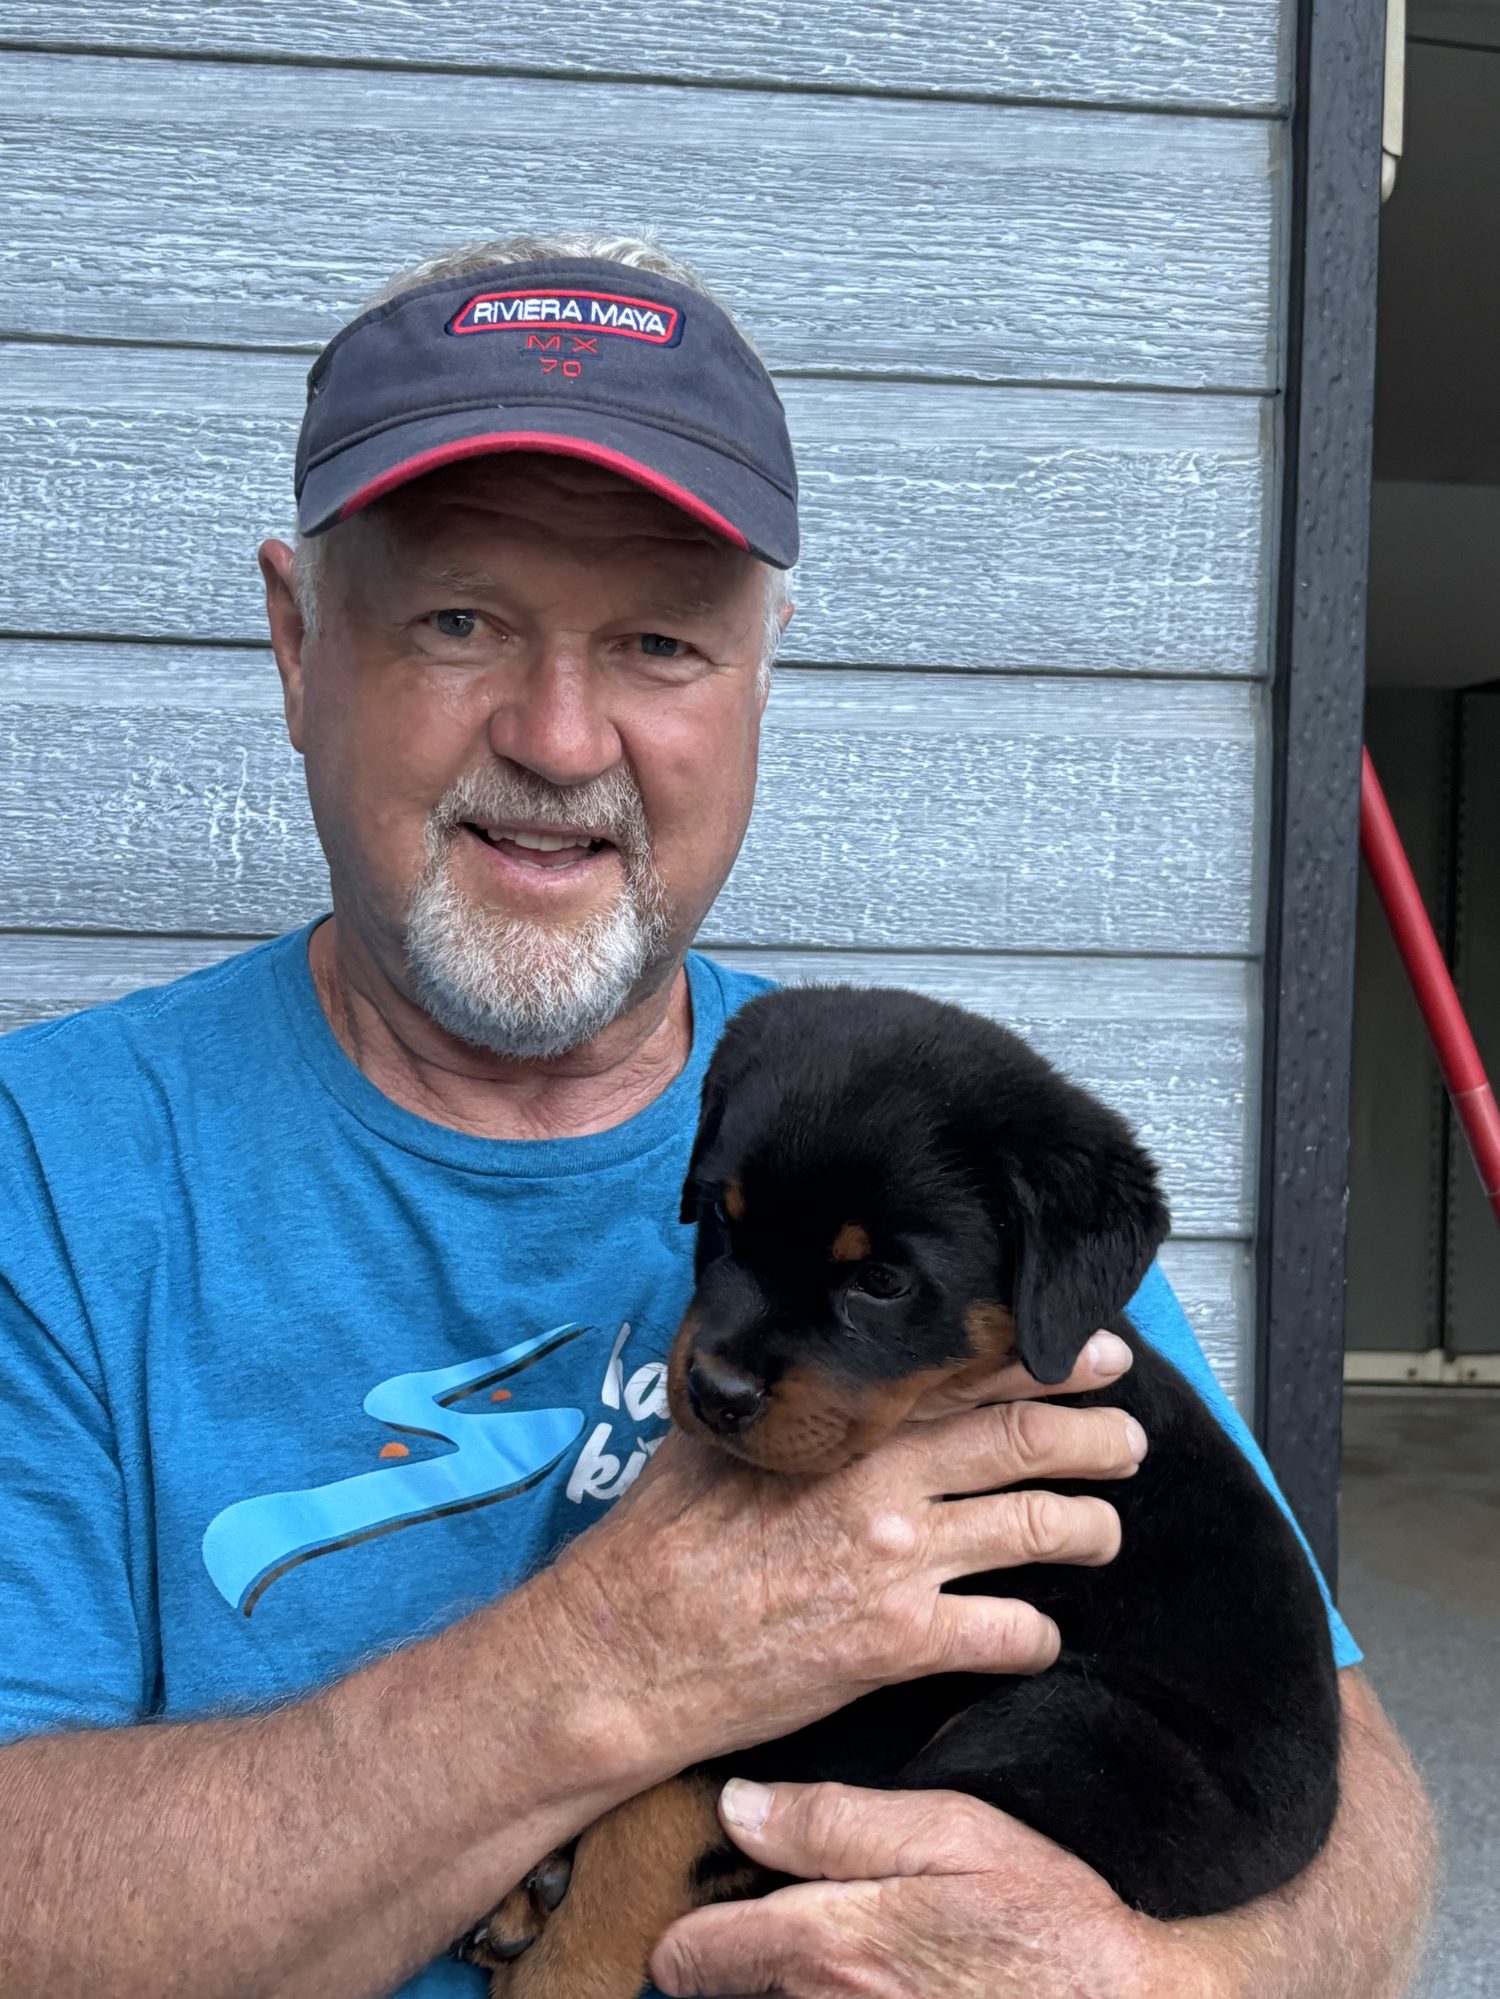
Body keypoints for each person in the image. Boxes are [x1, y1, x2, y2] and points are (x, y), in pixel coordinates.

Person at [0, 233, 1431, 1999]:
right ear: (300, 640)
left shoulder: (905, 1129)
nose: (558, 730)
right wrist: (613, 1660)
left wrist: (1158, 1981)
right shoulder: (49, 1177)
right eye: (459, 618)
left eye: (663, 640)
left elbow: (1352, 1802)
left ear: (762, 675)